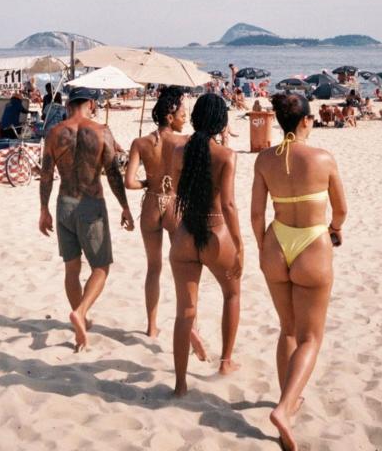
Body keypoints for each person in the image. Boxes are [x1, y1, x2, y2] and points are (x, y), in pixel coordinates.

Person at [251, 93, 348, 451]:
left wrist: (263, 247)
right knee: (311, 337)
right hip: (311, 242)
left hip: (276, 241)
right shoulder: (322, 158)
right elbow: (340, 210)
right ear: (306, 120)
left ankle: (287, 406)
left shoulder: (264, 159)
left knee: (287, 328)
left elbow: (255, 213)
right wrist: (335, 229)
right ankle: (284, 406)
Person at [38, 87, 134, 351]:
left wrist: (43, 209)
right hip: (91, 204)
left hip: (64, 205)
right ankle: (80, 312)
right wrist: (125, 206)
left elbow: (46, 175)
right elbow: (113, 173)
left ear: (68, 105)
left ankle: (80, 318)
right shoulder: (102, 131)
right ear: (91, 103)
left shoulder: (54, 133)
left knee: (72, 269)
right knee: (101, 267)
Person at [169, 93, 243, 396]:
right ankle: (225, 362)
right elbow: (228, 204)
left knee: (185, 312)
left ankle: (180, 383)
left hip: (185, 233)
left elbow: (175, 190)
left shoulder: (178, 151)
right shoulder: (226, 155)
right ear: (221, 121)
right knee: (232, 294)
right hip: (215, 232)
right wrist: (239, 244)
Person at [124, 88, 205, 353]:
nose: (185, 118)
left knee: (153, 267)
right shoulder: (185, 141)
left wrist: (148, 182)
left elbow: (129, 181)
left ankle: (151, 325)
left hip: (151, 202)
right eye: (182, 114)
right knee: (184, 270)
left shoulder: (141, 143)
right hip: (174, 203)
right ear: (170, 117)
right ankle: (191, 326)